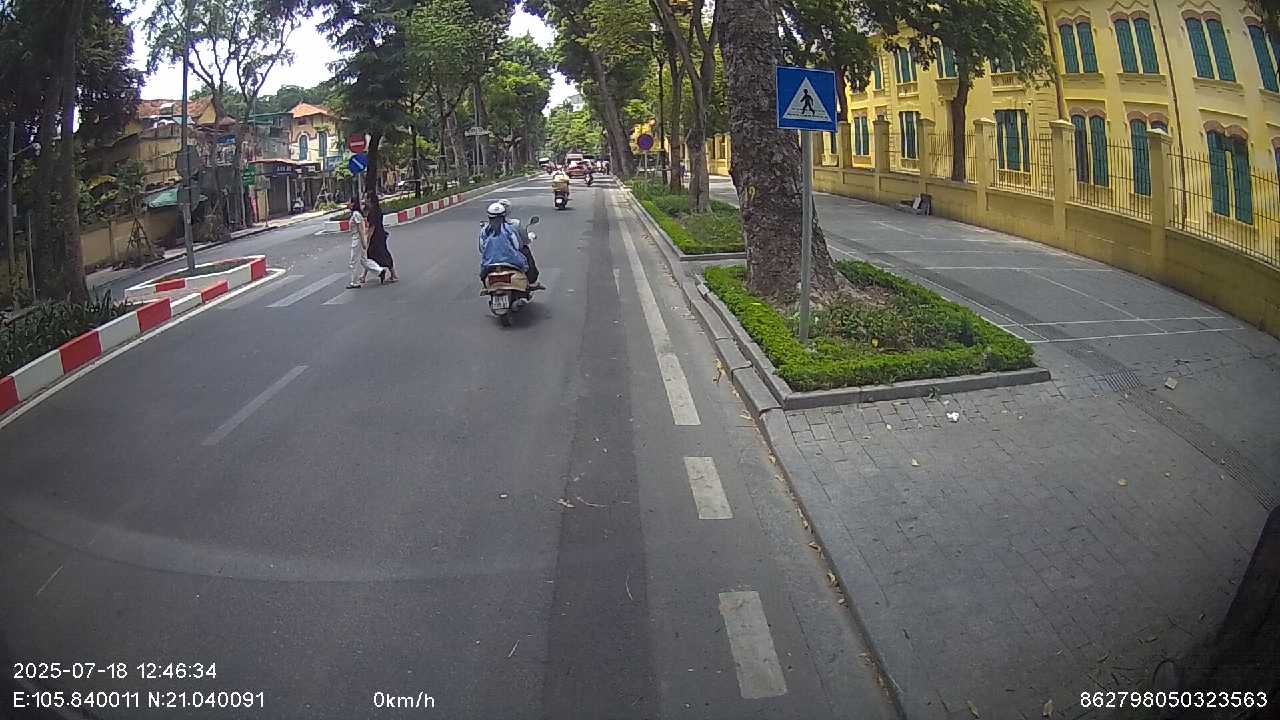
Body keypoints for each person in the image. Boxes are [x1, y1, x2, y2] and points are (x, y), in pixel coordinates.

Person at [497, 199, 542, 289]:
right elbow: (519, 244)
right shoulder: (514, 225)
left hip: (493, 259)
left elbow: (482, 247)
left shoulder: (486, 228)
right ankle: (532, 280)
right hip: (511, 255)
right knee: (525, 250)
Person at [478, 202, 527, 280]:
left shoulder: (484, 231)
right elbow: (517, 246)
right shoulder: (509, 229)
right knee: (525, 266)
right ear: (504, 215)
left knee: (483, 277)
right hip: (511, 262)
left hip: (489, 264)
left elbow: (482, 249)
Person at [347, 198, 385, 289]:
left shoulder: (356, 214)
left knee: (353, 261)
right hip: (358, 239)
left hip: (357, 240)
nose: (347, 203)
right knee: (364, 261)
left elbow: (361, 229)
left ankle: (354, 282)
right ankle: (379, 271)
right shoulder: (356, 214)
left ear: (353, 204)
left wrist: (364, 242)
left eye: (349, 202)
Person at [363, 193, 399, 284]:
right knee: (376, 254)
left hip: (376, 237)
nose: (364, 200)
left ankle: (393, 274)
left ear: (369, 199)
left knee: (373, 255)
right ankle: (363, 276)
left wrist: (367, 240)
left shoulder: (373, 212)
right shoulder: (377, 209)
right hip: (380, 234)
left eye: (365, 198)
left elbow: (372, 228)